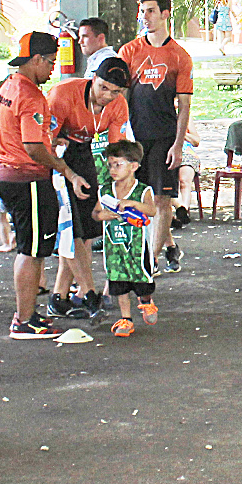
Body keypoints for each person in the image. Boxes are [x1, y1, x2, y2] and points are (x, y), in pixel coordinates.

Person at [0, 31, 92, 339]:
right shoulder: (31, 95)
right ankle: (24, 320)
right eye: (50, 62)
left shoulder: (8, 86)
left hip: (9, 173)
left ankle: (27, 315)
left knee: (31, 247)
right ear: (36, 59)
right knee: (32, 250)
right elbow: (34, 146)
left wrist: (51, 140)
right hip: (28, 177)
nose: (52, 69)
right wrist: (65, 170)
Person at [117, 0, 195, 273]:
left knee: (162, 200)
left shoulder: (179, 56)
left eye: (151, 11)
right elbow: (120, 97)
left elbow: (184, 106)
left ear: (165, 14)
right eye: (143, 11)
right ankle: (170, 245)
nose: (145, 17)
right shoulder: (129, 51)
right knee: (140, 199)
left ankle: (149, 260)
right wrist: (120, 135)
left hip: (164, 136)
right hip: (135, 137)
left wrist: (178, 145)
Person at [45, 61, 130, 319]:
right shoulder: (62, 94)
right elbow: (45, 143)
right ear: (93, 78)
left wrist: (115, 193)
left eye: (115, 92)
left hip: (84, 153)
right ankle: (90, 293)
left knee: (84, 228)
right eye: (103, 88)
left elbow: (117, 153)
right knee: (71, 230)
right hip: (55, 154)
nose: (107, 96)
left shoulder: (118, 106)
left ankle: (59, 297)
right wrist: (67, 174)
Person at [93, 140, 157, 337]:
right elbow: (96, 213)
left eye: (118, 165)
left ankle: (146, 302)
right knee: (118, 282)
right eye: (110, 164)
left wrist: (133, 205)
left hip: (137, 249)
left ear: (134, 166)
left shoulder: (142, 190)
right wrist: (101, 215)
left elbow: (152, 211)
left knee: (142, 282)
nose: (113, 169)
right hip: (114, 248)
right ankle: (125, 318)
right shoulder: (104, 190)